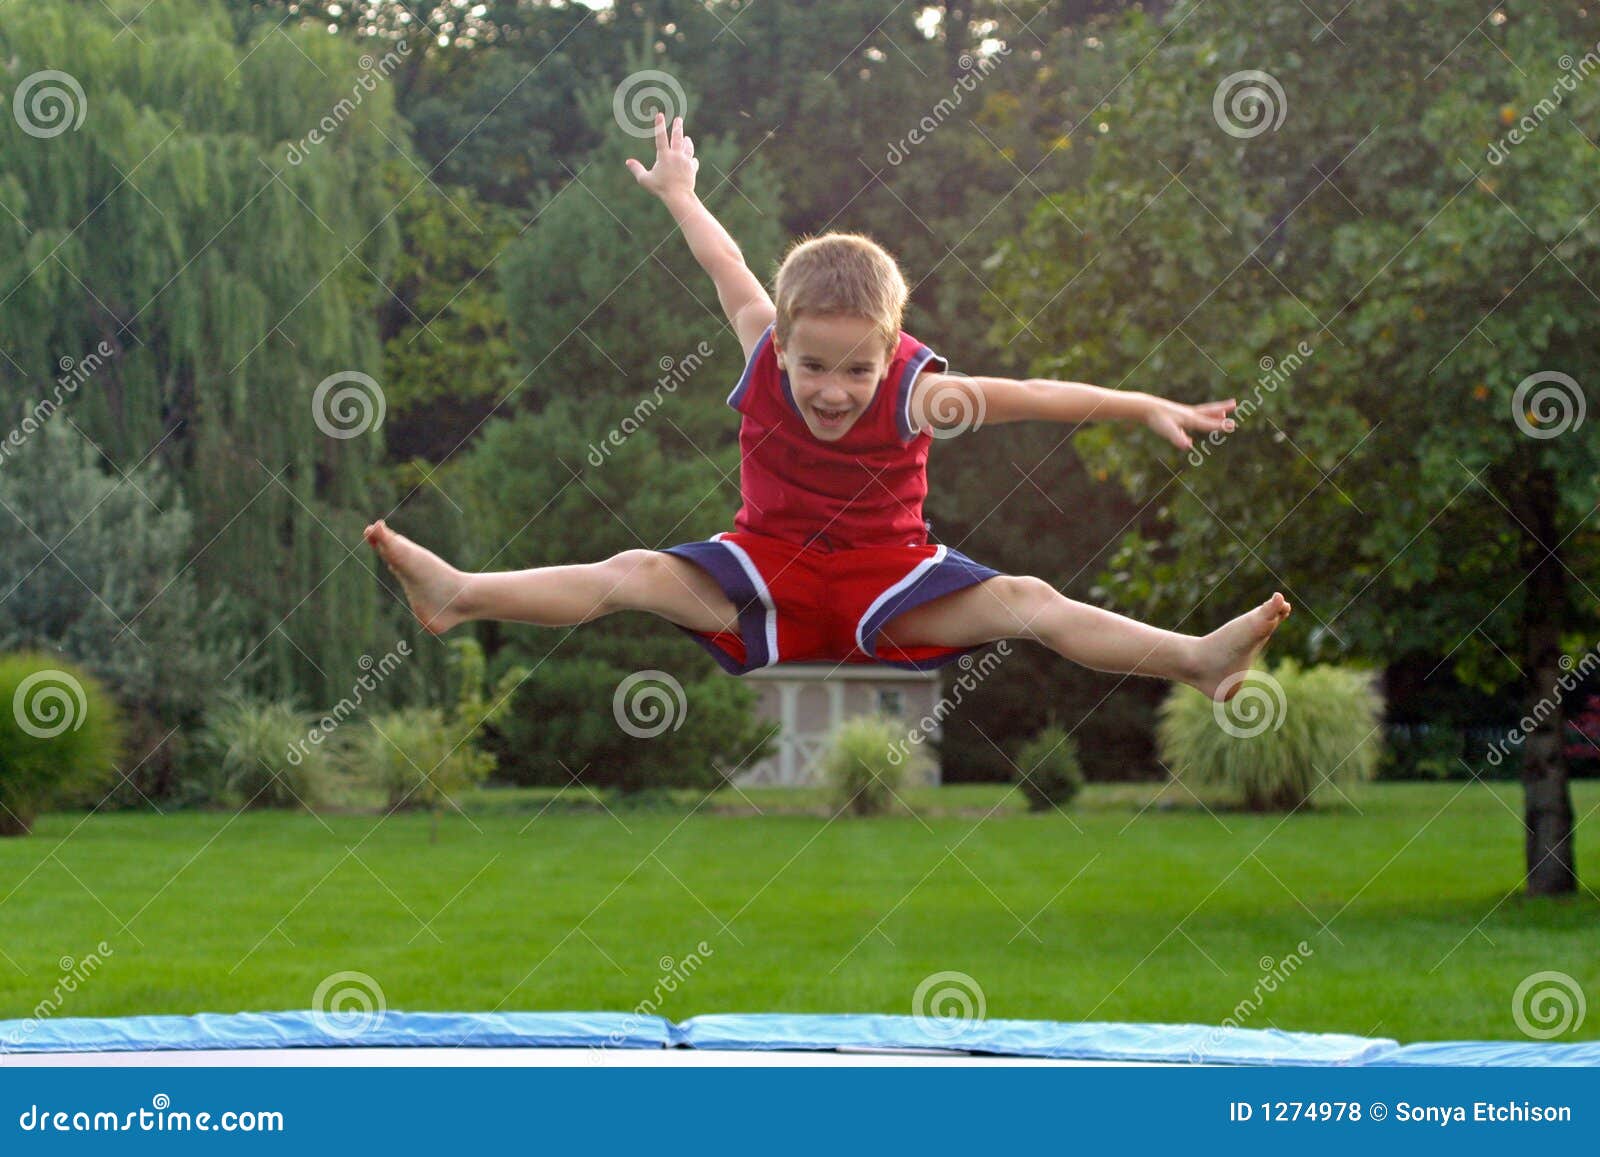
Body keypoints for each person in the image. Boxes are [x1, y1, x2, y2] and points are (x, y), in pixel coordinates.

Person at [364, 112, 1289, 701]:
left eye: (857, 371)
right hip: (764, 576)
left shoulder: (922, 396)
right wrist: (683, 193)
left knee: (1027, 600)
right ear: (786, 340)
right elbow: (725, 265)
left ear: (890, 353)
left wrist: (1145, 407)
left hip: (886, 585)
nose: (833, 391)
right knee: (636, 571)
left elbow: (1043, 396)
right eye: (813, 366)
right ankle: (457, 594)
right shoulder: (763, 340)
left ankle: (1197, 659)